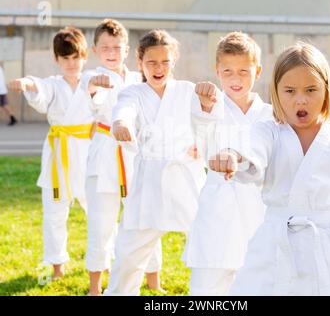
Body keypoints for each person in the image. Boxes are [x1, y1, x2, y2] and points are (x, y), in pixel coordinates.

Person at [209, 42, 330, 295]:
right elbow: (252, 149)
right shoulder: (268, 132)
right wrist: (233, 155)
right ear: (276, 92)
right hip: (275, 246)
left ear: (326, 90)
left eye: (311, 89)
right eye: (290, 90)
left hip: (328, 246)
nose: (300, 99)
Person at [104, 29, 219, 295]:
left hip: (186, 177)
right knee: (129, 251)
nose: (159, 68)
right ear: (140, 63)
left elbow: (210, 121)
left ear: (174, 61)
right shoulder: (132, 93)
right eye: (152, 62)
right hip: (149, 179)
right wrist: (121, 124)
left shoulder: (188, 90)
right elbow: (124, 112)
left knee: (207, 242)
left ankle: (211, 294)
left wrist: (202, 135)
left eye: (165, 62)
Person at [182, 32, 273, 295]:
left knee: (257, 281)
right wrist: (205, 106)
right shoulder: (209, 106)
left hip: (259, 207)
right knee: (207, 285)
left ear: (258, 70)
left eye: (244, 71)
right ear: (217, 71)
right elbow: (201, 131)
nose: (236, 78)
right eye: (228, 71)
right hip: (219, 209)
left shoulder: (269, 113)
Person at [81, 19, 163, 296]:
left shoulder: (140, 77)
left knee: (145, 215)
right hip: (104, 153)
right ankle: (95, 286)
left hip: (136, 153)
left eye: (117, 47)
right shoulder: (91, 76)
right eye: (105, 48)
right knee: (101, 222)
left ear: (126, 49)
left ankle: (153, 279)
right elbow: (91, 90)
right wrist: (95, 83)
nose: (112, 53)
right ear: (95, 50)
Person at [8, 27, 94, 280]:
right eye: (65, 58)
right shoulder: (53, 84)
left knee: (98, 211)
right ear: (56, 59)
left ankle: (101, 260)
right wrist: (27, 83)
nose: (71, 63)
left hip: (88, 153)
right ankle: (57, 266)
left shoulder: (93, 81)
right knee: (55, 212)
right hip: (58, 154)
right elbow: (40, 88)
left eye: (75, 57)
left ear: (85, 56)